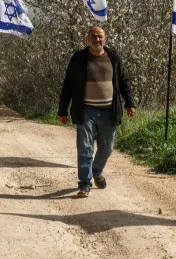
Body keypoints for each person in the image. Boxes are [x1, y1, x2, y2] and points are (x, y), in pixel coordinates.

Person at [58, 26, 135, 198]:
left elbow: (124, 81)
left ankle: (96, 171)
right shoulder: (78, 58)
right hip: (85, 109)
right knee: (85, 148)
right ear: (88, 39)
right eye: (93, 36)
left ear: (105, 39)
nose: (96, 39)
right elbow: (68, 85)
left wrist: (130, 102)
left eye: (99, 36)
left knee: (107, 147)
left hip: (109, 110)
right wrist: (62, 110)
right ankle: (85, 183)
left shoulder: (113, 57)